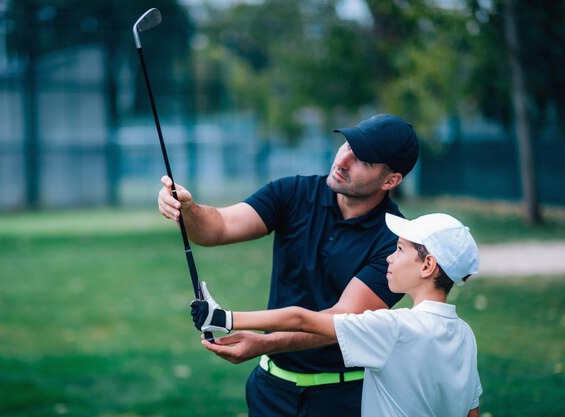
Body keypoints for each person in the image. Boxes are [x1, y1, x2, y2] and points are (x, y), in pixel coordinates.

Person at [158, 114, 419, 416]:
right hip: (269, 390)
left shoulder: (397, 242)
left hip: (344, 397)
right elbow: (219, 228)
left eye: (363, 159)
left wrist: (264, 343)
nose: (344, 159)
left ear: (390, 180)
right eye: (347, 144)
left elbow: (337, 325)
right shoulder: (293, 193)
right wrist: (188, 209)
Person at [191, 212, 483, 417]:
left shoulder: (394, 328)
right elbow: (471, 409)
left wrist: (223, 319)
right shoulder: (465, 335)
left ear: (427, 265)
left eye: (400, 249)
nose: (390, 258)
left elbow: (301, 319)